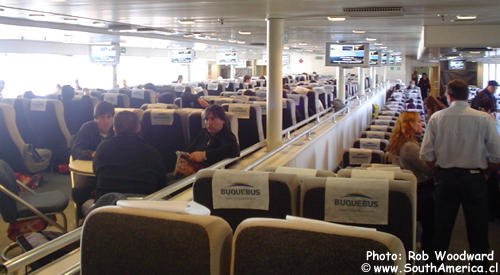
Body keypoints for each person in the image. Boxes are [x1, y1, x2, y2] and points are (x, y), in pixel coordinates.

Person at [419, 79, 500, 269]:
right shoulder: (484, 119)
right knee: (478, 231)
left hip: (447, 179)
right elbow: (496, 156)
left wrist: (441, 171)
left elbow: (426, 155)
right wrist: (486, 175)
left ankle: (435, 269)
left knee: (441, 230)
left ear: (449, 96)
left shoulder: (438, 118)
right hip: (475, 178)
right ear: (467, 96)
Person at [387, 111, 434, 252]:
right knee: (431, 225)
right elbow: (428, 169)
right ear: (410, 125)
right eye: (418, 121)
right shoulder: (410, 147)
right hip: (421, 190)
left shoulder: (407, 143)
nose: (421, 123)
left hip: (416, 188)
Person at [93, 111, 166, 198]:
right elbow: (161, 182)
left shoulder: (102, 149)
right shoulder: (152, 153)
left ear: (114, 129)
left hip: (106, 207)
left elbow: (96, 173)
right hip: (143, 208)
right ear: (138, 128)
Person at [70, 102, 115, 213]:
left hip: (111, 171)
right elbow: (76, 151)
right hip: (90, 172)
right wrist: (92, 154)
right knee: (78, 191)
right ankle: (84, 218)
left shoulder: (117, 129)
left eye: (109, 117)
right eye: (102, 117)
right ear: (95, 118)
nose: (106, 121)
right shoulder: (87, 128)